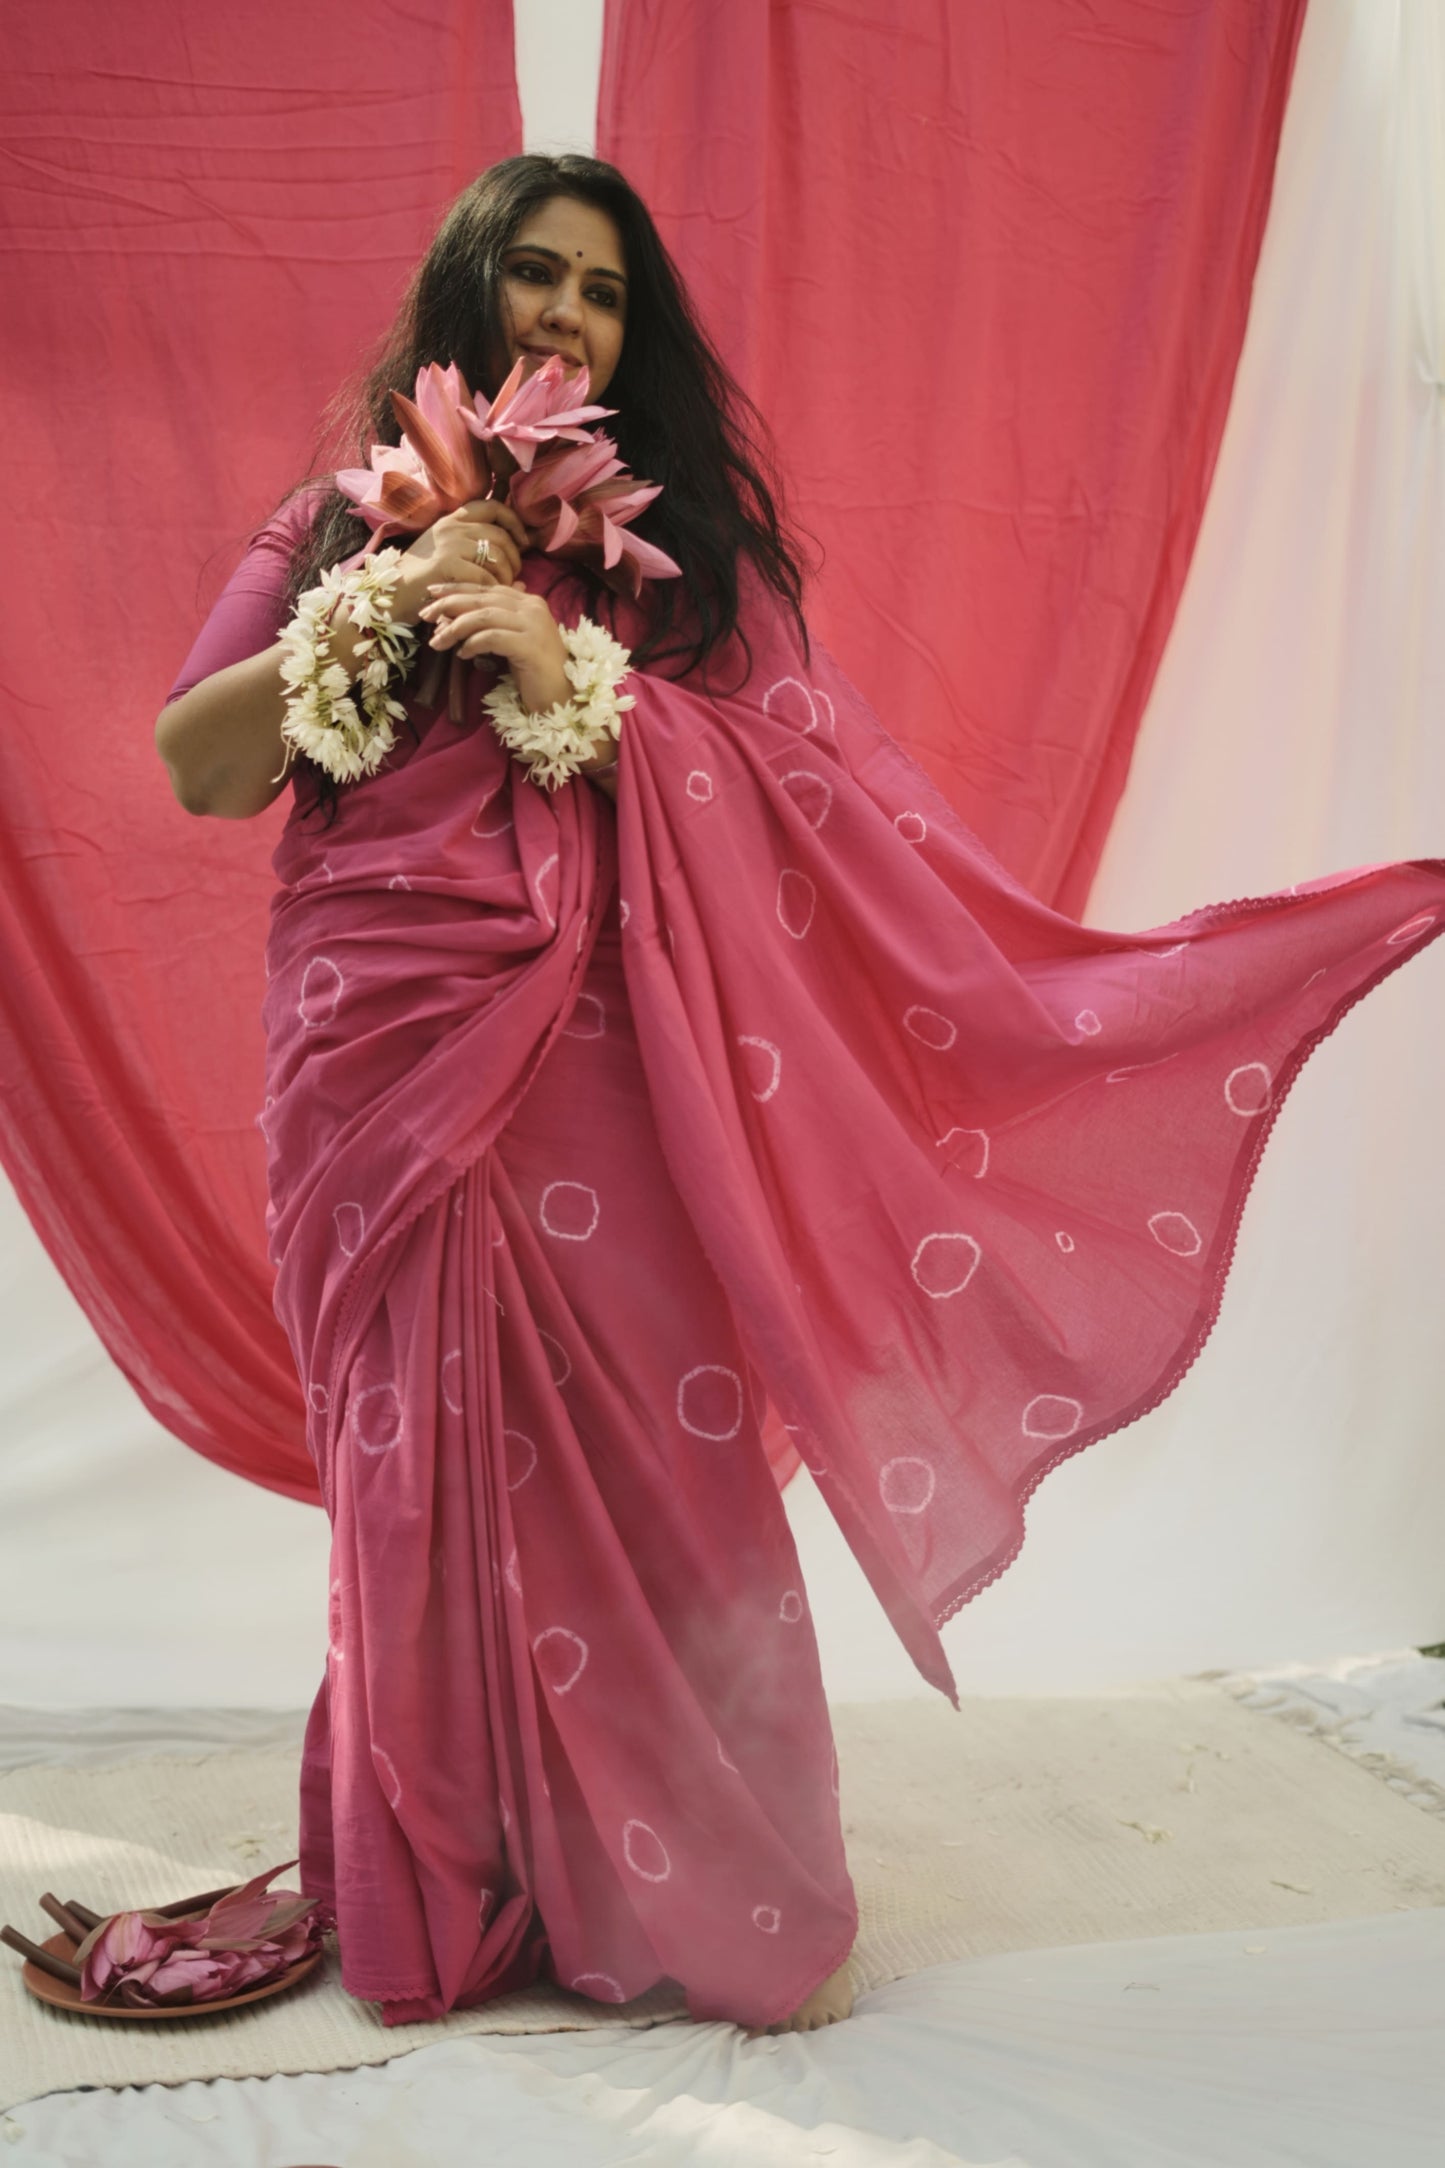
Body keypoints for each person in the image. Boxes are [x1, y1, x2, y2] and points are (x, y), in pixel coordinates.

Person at [155, 154, 1445, 2039]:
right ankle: (448, 1869)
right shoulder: (337, 524)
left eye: (603, 291)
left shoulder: (685, 572)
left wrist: (585, 677)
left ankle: (696, 1882)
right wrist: (383, 605)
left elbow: (824, 814)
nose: (565, 314)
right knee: (411, 1473)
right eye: (534, 273)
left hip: (603, 1074)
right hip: (370, 1061)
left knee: (659, 1469)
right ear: (465, 294)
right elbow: (198, 765)